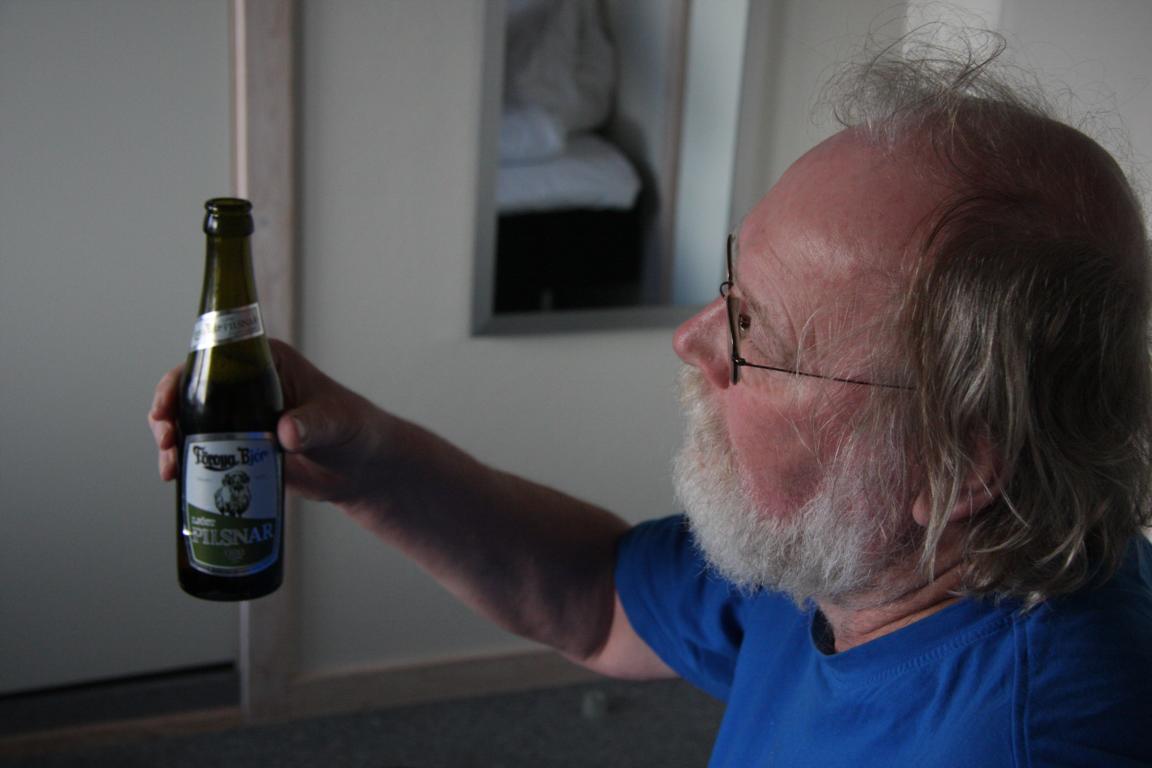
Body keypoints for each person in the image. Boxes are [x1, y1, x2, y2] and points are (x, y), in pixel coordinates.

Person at [150, 36, 1152, 766]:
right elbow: (601, 603)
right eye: (731, 285)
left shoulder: (1027, 742)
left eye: (754, 333)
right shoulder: (860, 548)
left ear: (951, 462)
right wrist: (367, 460)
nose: (692, 338)